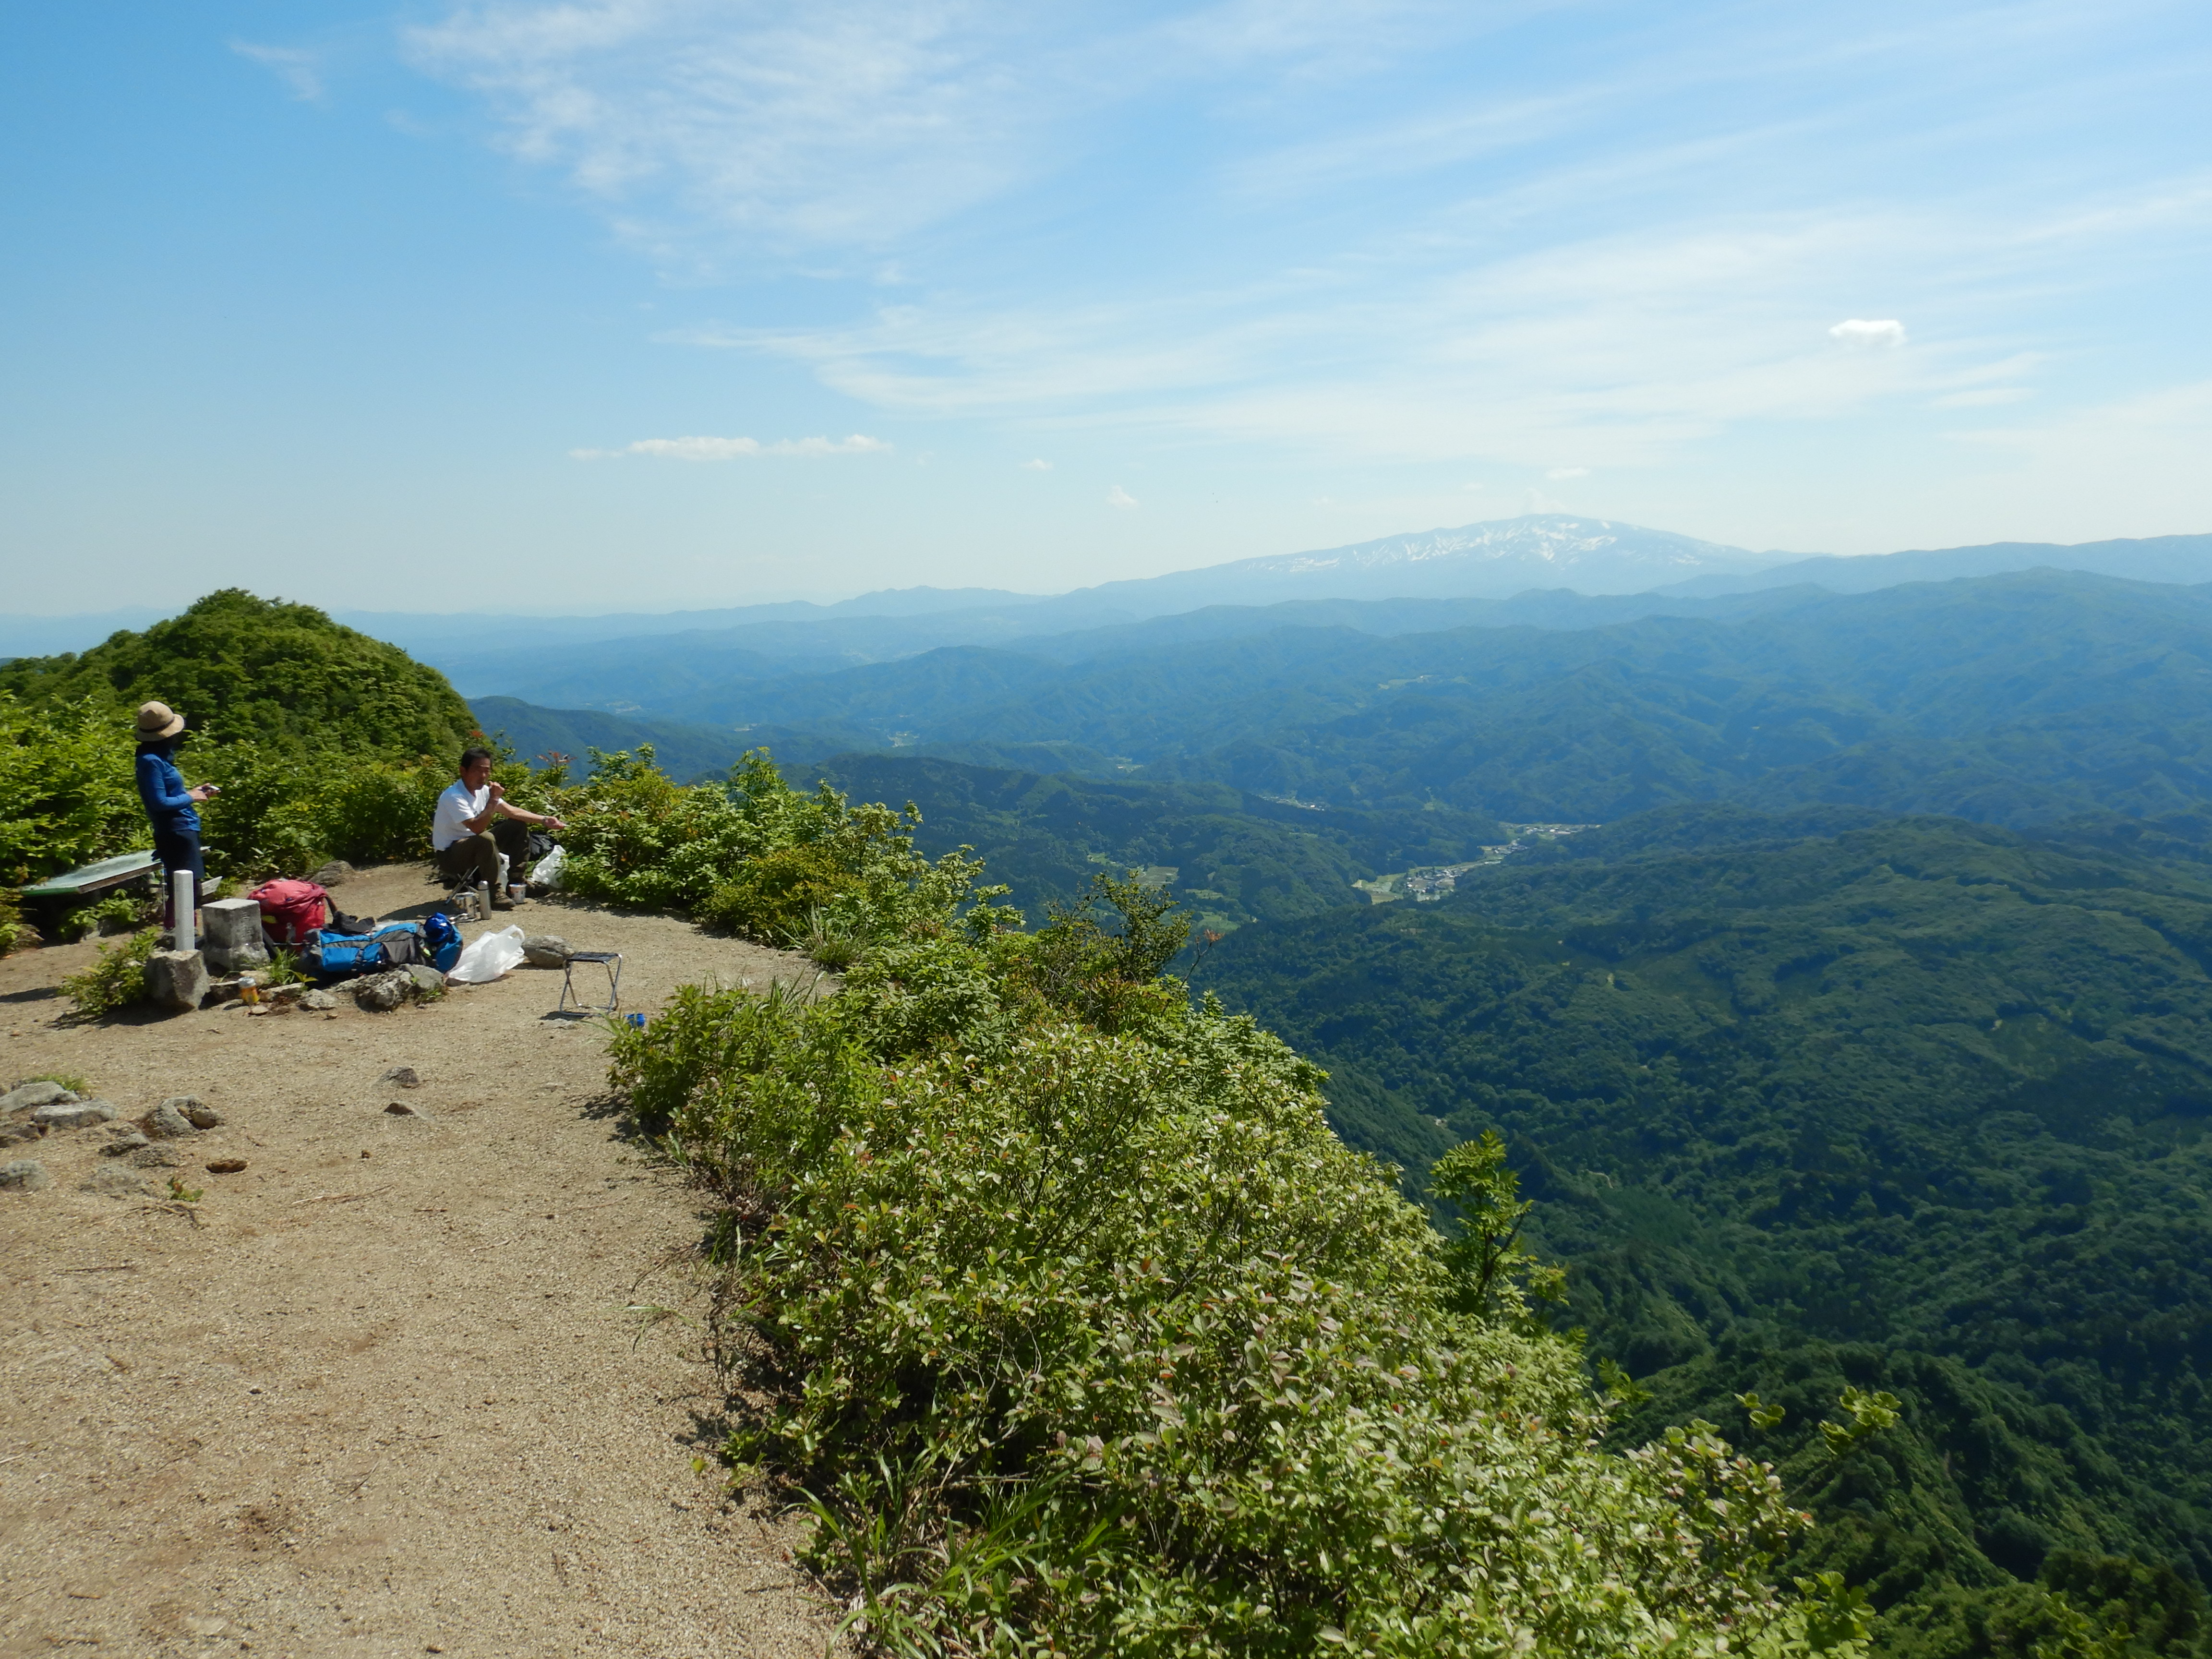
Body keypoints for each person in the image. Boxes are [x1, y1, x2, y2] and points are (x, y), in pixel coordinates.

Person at [432, 747, 565, 910]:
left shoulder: (484, 791)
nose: (483, 776)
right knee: (485, 838)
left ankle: (517, 883)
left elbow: (512, 812)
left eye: (487, 771)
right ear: (463, 771)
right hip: (450, 856)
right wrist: (494, 799)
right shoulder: (454, 796)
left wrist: (544, 820)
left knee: (516, 826)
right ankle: (494, 893)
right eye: (478, 771)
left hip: (475, 844)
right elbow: (477, 828)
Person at [134, 701, 218, 932]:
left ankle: (182, 935)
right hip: (175, 831)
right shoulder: (151, 761)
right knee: (185, 889)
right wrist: (191, 797)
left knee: (189, 887)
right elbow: (159, 803)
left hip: (181, 828)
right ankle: (180, 936)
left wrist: (194, 792)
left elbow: (169, 795)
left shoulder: (155, 758)